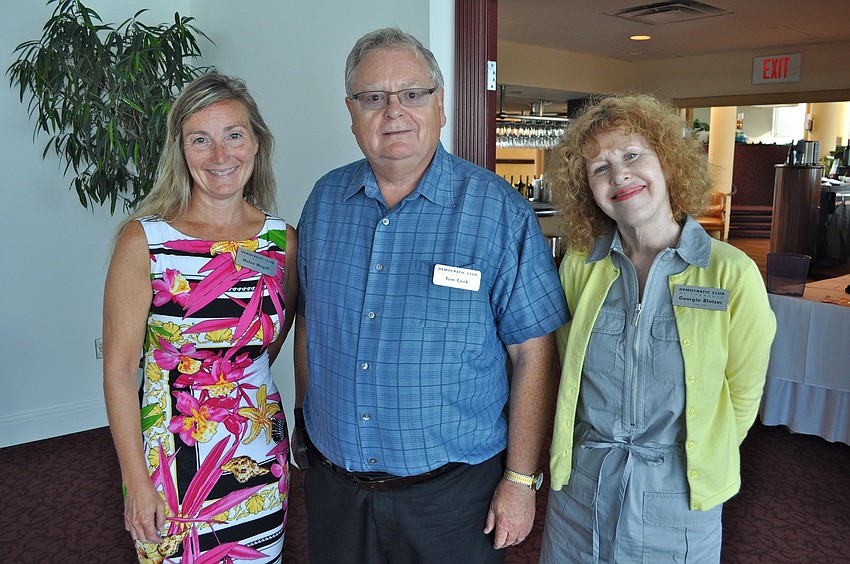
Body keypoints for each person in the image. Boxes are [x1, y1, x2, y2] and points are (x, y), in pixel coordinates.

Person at [294, 28, 568, 563]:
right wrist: (306, 415)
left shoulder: (496, 211)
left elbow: (534, 352)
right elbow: (310, 321)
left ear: (440, 104)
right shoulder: (325, 201)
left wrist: (520, 479)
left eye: (413, 94)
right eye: (373, 97)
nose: (394, 111)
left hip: (454, 498)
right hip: (336, 489)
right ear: (351, 113)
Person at [539, 93, 776, 563]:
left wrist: (698, 456)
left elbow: (743, 395)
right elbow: (561, 372)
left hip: (680, 496)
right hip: (583, 492)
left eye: (631, 156)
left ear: (666, 163)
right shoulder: (579, 270)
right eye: (599, 169)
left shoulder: (731, 274)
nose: (619, 175)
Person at [102, 72, 297, 563]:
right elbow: (121, 370)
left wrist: (227, 376)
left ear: (256, 142)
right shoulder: (144, 241)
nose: (220, 155)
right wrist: (135, 480)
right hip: (171, 455)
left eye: (233, 134)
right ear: (180, 150)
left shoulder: (282, 242)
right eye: (200, 140)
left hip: (256, 446)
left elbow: (268, 339)